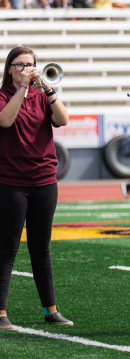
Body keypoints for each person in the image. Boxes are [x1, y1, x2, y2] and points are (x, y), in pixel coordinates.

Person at [0, 46, 71, 331]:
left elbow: (63, 120)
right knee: (7, 248)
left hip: (44, 180)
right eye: (20, 65)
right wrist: (22, 88)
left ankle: (50, 311)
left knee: (41, 248)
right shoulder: (3, 96)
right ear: (10, 69)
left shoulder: (42, 95)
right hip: (11, 181)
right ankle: (1, 313)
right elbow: (5, 120)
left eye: (30, 64)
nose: (26, 69)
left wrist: (48, 89)